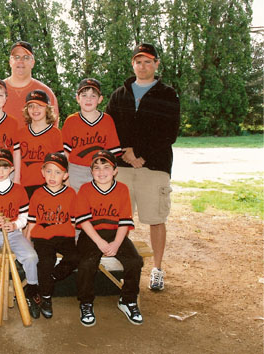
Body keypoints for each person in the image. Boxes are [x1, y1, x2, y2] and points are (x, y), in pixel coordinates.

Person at [106, 43, 180, 291]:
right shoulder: (120, 94)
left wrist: (141, 155)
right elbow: (109, 129)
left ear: (157, 64)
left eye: (148, 61)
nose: (143, 65)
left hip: (155, 167)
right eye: (139, 61)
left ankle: (157, 270)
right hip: (122, 167)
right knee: (119, 218)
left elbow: (169, 132)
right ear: (132, 64)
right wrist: (125, 152)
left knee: (156, 219)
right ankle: (118, 265)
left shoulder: (167, 94)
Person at [75, 150, 143, 327]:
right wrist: (100, 242)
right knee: (87, 263)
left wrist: (116, 243)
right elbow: (84, 222)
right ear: (91, 171)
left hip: (115, 234)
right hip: (91, 235)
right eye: (96, 168)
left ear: (115, 170)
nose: (101, 171)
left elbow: (124, 222)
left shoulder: (122, 189)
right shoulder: (85, 189)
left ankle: (127, 300)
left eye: (106, 167)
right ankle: (86, 302)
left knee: (135, 261)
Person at [0, 148, 41, 319]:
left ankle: (32, 292)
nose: (1, 171)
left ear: (12, 169)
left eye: (5, 167)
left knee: (31, 256)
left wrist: (15, 224)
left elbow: (25, 216)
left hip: (14, 234)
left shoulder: (19, 190)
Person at [26, 152, 79, 319]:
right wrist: (27, 240)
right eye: (49, 171)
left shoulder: (70, 193)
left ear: (65, 175)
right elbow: (32, 221)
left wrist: (75, 238)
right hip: (43, 237)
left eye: (58, 172)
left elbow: (74, 221)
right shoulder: (37, 193)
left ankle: (50, 278)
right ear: (42, 172)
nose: (53, 176)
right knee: (46, 262)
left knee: (75, 257)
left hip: (64, 236)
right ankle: (46, 298)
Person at [62, 78, 122, 192]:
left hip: (100, 171)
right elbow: (65, 153)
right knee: (77, 207)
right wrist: (66, 177)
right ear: (77, 99)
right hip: (76, 171)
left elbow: (112, 153)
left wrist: (109, 175)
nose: (88, 99)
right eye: (84, 95)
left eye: (93, 96)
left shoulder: (107, 120)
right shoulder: (71, 121)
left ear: (100, 99)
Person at [0, 41, 59, 127]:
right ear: (10, 61)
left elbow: (52, 130)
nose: (21, 61)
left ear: (33, 62)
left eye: (26, 57)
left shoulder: (45, 92)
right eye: (16, 57)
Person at [17, 89, 63, 198]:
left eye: (40, 105)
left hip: (47, 187)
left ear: (47, 109)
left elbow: (61, 165)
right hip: (23, 187)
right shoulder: (20, 133)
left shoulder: (55, 133)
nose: (35, 109)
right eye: (31, 106)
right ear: (26, 110)